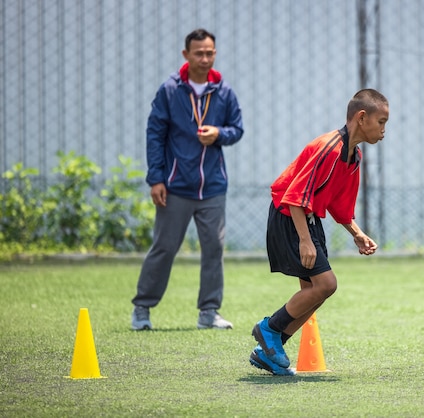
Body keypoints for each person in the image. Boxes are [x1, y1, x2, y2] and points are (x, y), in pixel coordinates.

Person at [249, 89, 389, 375]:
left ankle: (269, 352)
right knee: (326, 284)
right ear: (362, 118)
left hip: (307, 218)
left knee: (315, 293)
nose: (384, 129)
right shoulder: (330, 148)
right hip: (290, 216)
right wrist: (304, 240)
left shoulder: (353, 156)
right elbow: (294, 195)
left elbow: (339, 204)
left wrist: (357, 233)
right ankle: (269, 329)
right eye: (382, 121)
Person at [131, 29, 244, 331]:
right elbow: (154, 135)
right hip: (175, 186)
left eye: (210, 53)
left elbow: (237, 128)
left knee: (214, 249)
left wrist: (219, 134)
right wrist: (156, 178)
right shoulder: (169, 91)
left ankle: (209, 312)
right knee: (165, 247)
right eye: (199, 53)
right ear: (186, 55)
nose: (205, 58)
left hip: (213, 188)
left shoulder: (224, 91)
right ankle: (142, 308)